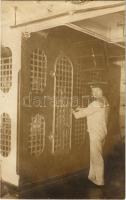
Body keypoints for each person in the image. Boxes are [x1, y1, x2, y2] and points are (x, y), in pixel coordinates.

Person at [72, 85, 109, 186]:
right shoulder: (104, 100)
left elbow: (81, 114)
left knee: (96, 156)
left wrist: (73, 111)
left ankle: (100, 180)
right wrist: (82, 108)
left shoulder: (95, 103)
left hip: (95, 133)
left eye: (96, 91)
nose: (94, 93)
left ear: (100, 91)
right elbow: (92, 109)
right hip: (102, 131)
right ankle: (92, 176)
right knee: (95, 154)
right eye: (93, 91)